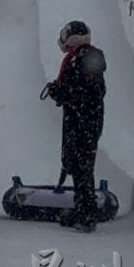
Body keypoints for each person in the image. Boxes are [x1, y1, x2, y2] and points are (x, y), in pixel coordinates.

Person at [46, 21, 106, 232]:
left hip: (85, 121)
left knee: (83, 166)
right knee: (77, 163)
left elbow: (88, 93)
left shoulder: (87, 58)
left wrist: (63, 94)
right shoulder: (78, 59)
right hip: (79, 120)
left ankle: (87, 213)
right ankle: (83, 207)